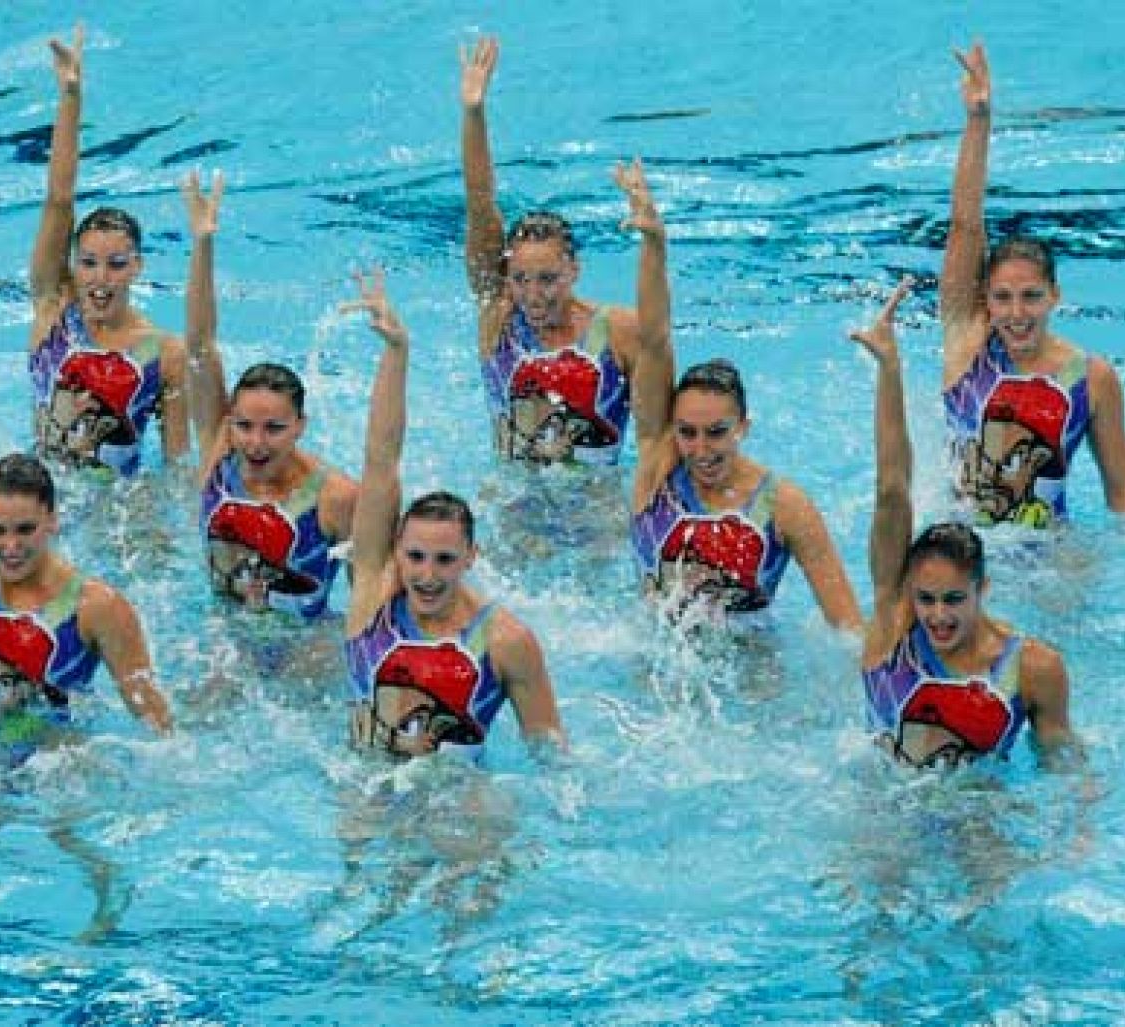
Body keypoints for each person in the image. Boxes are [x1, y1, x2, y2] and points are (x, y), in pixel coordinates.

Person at [0, 268, 173, 753]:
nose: (9, 546)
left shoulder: (97, 608)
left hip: (56, 759)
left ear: (52, 521)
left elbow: (156, 724)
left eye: (25, 529)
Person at [617, 160, 861, 632]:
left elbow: (847, 626)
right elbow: (654, 342)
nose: (700, 449)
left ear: (743, 428)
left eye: (716, 432)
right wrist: (655, 245)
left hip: (752, 665)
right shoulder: (658, 467)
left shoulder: (785, 507)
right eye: (687, 432)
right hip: (650, 657)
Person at [341, 269, 565, 760]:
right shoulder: (373, 595)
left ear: (470, 558)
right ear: (395, 551)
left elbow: (552, 755)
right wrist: (397, 353)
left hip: (459, 797)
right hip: (361, 788)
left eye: (444, 560)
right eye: (415, 556)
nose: (426, 575)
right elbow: (380, 461)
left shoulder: (505, 642)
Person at [854, 277, 1076, 768]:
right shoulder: (893, 628)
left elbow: (1064, 768)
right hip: (882, 809)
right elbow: (892, 489)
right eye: (926, 599)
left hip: (984, 808)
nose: (937, 615)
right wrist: (889, 369)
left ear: (983, 589)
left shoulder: (1032, 669)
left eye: (954, 599)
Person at [940, 42, 1125, 528]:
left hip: (1050, 550)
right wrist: (978, 121)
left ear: (1055, 296)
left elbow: (1123, 492)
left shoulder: (1091, 379)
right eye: (1002, 298)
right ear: (985, 301)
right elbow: (965, 226)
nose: (1016, 313)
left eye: (1031, 296)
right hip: (962, 553)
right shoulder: (969, 340)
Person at [181, 170, 358, 619]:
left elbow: (370, 598)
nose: (255, 443)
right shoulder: (220, 450)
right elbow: (199, 347)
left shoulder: (335, 498)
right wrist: (202, 244)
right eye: (244, 425)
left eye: (274, 428)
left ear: (300, 427)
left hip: (305, 648)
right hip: (216, 634)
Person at [461, 36, 643, 466]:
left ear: (573, 271)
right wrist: (473, 112)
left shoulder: (619, 331)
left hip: (598, 499)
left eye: (547, 279)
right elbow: (481, 204)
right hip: (509, 495)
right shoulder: (499, 318)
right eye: (520, 279)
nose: (532, 294)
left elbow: (659, 433)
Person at [29, 25, 189, 477]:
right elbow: (59, 200)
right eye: (88, 263)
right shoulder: (53, 305)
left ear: (137, 267)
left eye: (116, 264)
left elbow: (177, 463)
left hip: (115, 504)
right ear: (73, 265)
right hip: (39, 494)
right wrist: (70, 96)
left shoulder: (164, 353)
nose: (100, 278)